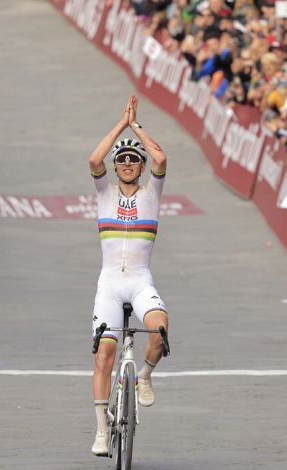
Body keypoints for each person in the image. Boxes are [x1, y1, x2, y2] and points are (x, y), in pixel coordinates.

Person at [88, 95, 169, 456]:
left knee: (160, 328)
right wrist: (120, 125)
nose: (126, 164)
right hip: (109, 282)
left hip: (139, 280)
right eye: (121, 160)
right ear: (116, 166)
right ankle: (102, 432)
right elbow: (94, 159)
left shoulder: (152, 194)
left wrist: (137, 127)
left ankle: (146, 375)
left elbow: (162, 158)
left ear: (140, 167)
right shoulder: (104, 192)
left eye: (133, 160)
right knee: (105, 353)